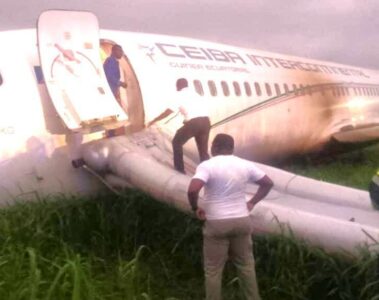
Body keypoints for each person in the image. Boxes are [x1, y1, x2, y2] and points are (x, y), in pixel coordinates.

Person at [187, 133, 274, 300]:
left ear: (215, 147)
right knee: (246, 266)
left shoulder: (207, 165)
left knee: (213, 270)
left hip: (217, 223)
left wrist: (195, 207)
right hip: (242, 221)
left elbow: (192, 190)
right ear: (232, 148)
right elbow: (268, 183)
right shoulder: (245, 165)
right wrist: (252, 202)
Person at [147, 78, 211, 174]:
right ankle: (209, 173)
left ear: (179, 86)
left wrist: (153, 121)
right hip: (206, 122)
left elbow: (169, 111)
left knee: (177, 142)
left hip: (195, 122)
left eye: (177, 86)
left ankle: (179, 169)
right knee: (203, 151)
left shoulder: (179, 95)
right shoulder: (195, 94)